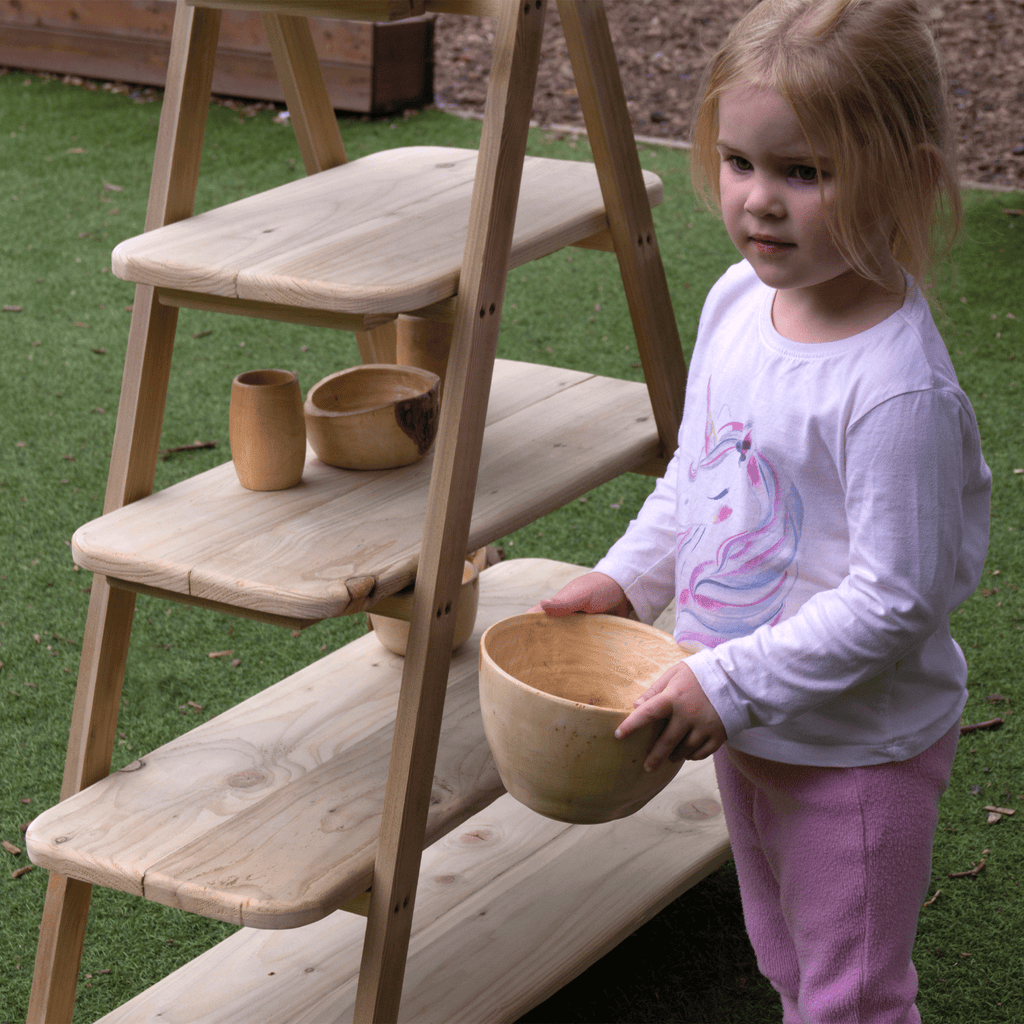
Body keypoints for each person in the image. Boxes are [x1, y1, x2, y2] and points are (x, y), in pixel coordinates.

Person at [532, 1, 992, 1020]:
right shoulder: (736, 303)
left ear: (909, 179)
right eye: (739, 161)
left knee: (851, 994)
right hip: (742, 720)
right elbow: (697, 480)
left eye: (805, 173)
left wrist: (727, 681)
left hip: (851, 754)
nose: (759, 203)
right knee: (783, 955)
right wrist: (625, 581)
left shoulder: (893, 389)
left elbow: (894, 600)